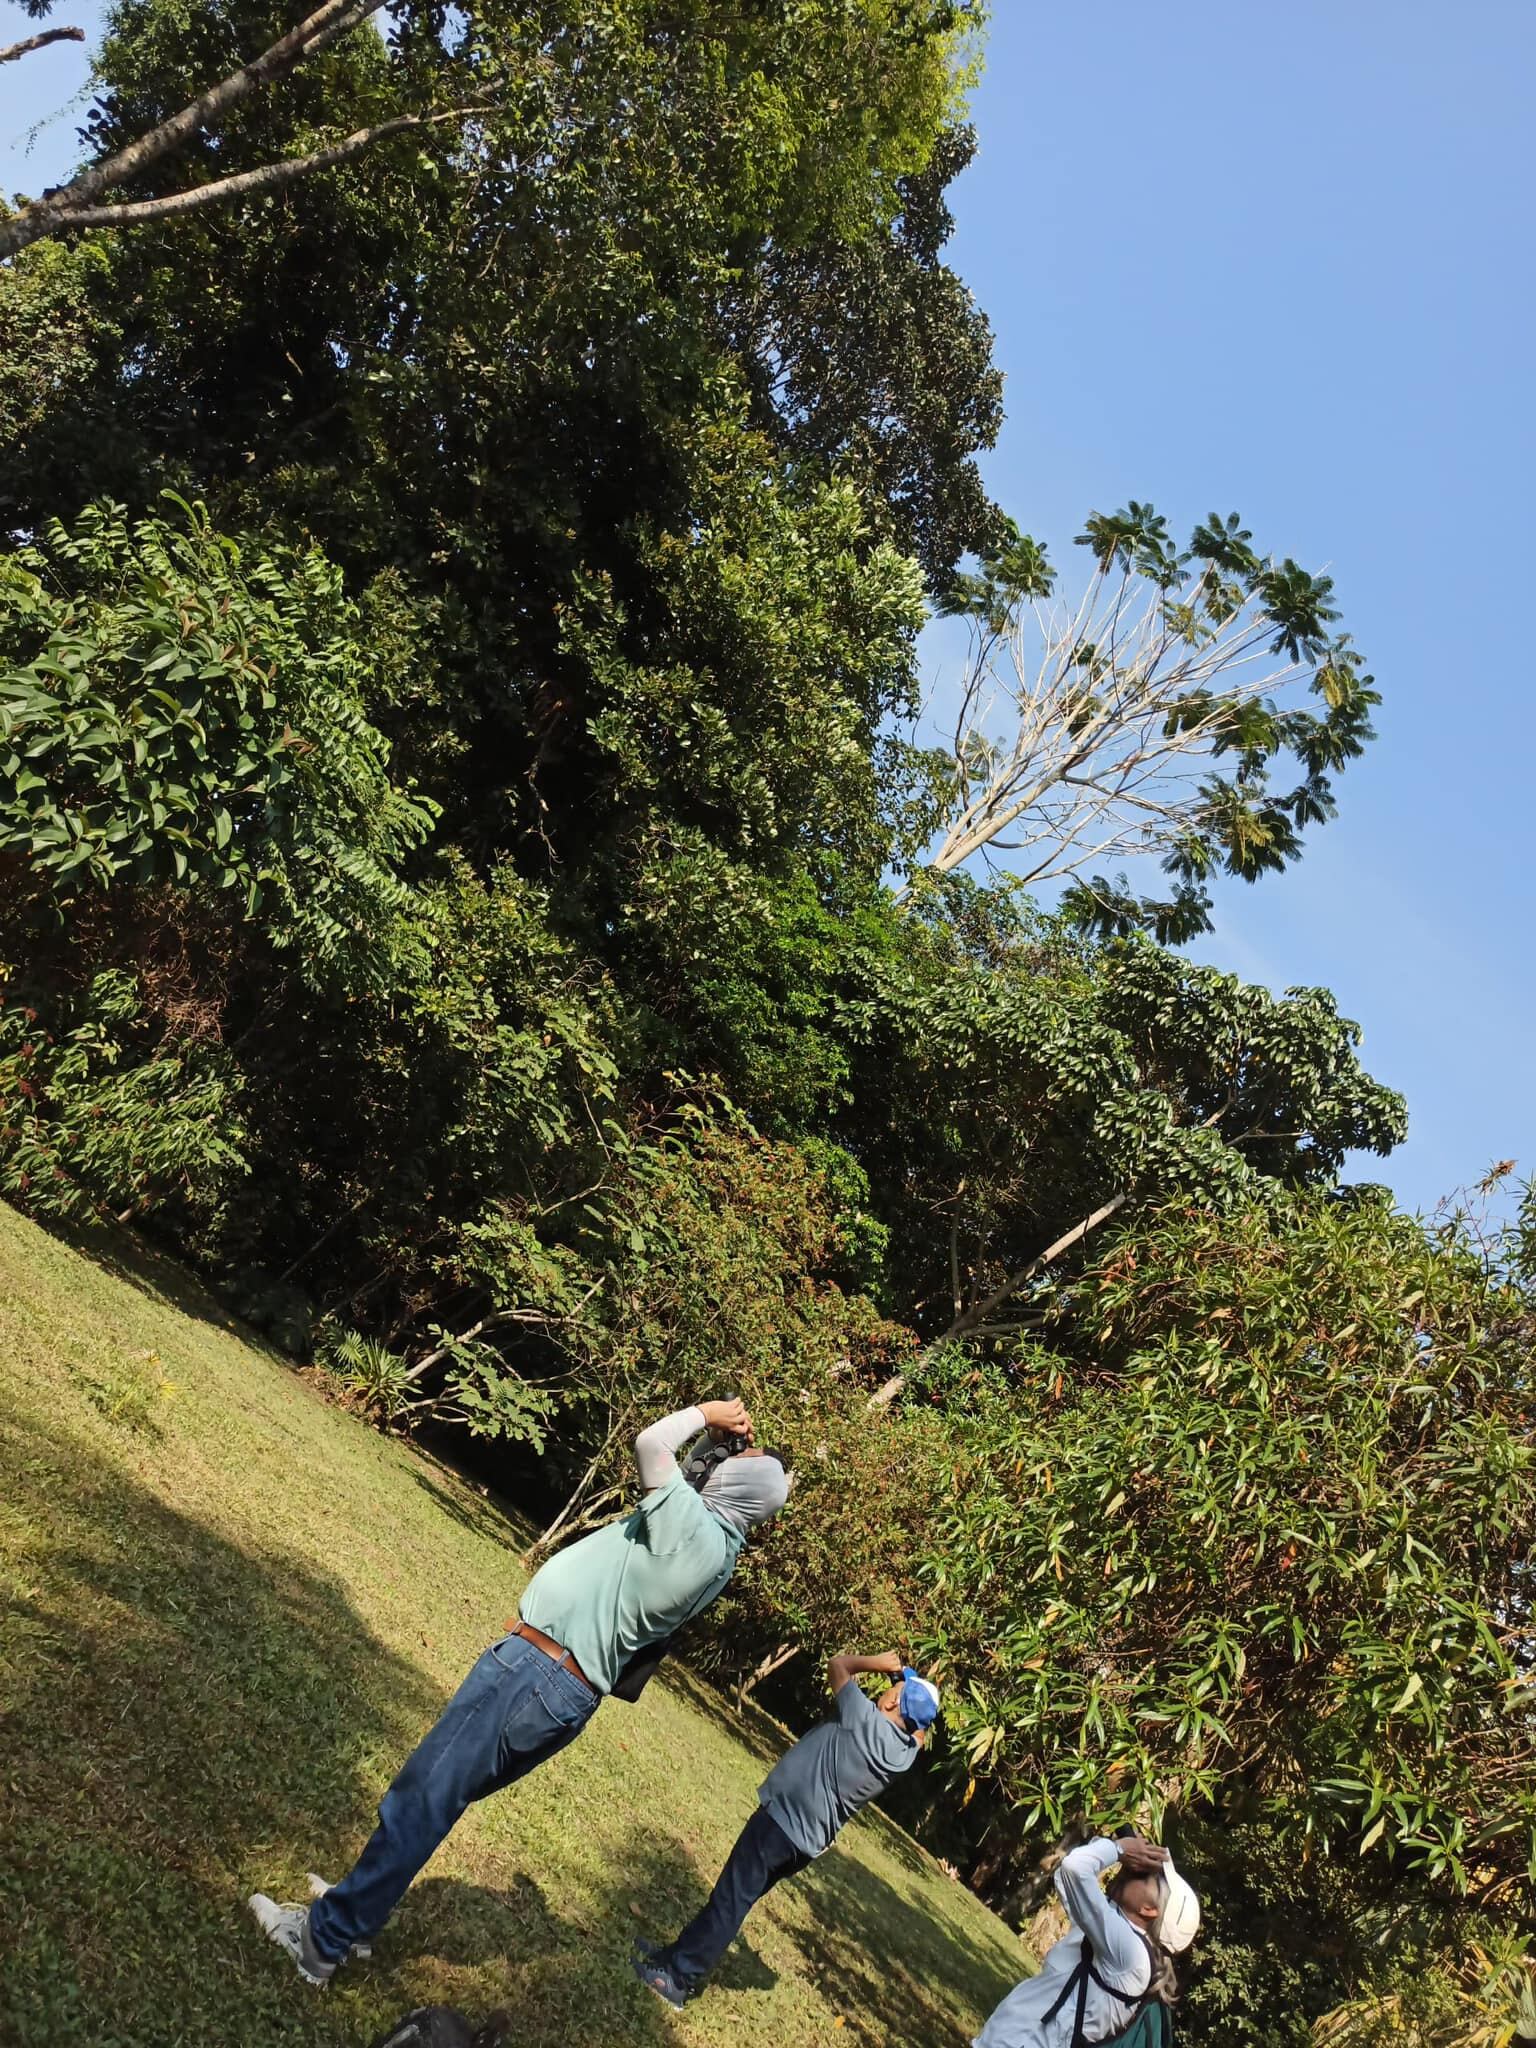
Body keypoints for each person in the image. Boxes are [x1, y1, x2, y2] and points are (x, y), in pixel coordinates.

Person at [249, 1396, 790, 1986]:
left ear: (738, 1485)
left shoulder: (691, 1526)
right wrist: (721, 1446)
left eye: (741, 1458)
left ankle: (320, 1943)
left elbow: (651, 1445)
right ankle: (355, 1915)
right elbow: (693, 1474)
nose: (729, 1454)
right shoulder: (719, 1547)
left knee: (424, 1795)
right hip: (560, 1692)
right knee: (439, 1797)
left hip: (535, 1672)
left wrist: (707, 1412)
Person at [632, 1645, 941, 2007]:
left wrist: (877, 1664)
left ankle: (678, 1978)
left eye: (893, 1692)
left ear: (891, 1704)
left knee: (729, 1902)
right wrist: (902, 1686)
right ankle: (675, 1955)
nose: (886, 1692)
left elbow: (839, 1665)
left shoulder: (861, 1719)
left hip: (780, 1825)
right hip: (803, 1844)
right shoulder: (903, 1755)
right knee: (734, 1900)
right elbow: (917, 1728)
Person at [973, 1833, 1200, 2048]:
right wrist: (1120, 1848)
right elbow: (1066, 1876)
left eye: (1148, 1877)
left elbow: (1075, 1868)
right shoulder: (1110, 1930)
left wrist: (1120, 1849)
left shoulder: (1132, 1955)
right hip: (1007, 2038)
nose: (1137, 1871)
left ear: (1149, 1909)